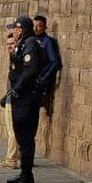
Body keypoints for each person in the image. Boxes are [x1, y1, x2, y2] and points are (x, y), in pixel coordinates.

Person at [5, 14, 47, 183]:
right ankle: (25, 174)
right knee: (23, 138)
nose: (12, 32)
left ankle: (26, 179)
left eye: (14, 28)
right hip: (23, 97)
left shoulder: (29, 44)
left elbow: (29, 71)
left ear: (20, 29)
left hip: (26, 98)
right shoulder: (26, 43)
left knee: (25, 138)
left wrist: (17, 90)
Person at [33, 15, 63, 157]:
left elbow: (55, 62)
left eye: (39, 26)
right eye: (34, 25)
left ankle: (41, 148)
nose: (36, 28)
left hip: (42, 84)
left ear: (44, 27)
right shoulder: (32, 41)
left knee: (41, 116)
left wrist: (44, 78)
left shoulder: (48, 42)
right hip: (33, 83)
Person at [0, 28, 20, 169]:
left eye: (12, 43)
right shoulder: (13, 58)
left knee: (12, 130)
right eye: (7, 44)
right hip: (10, 98)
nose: (9, 46)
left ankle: (11, 159)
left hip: (14, 101)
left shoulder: (19, 59)